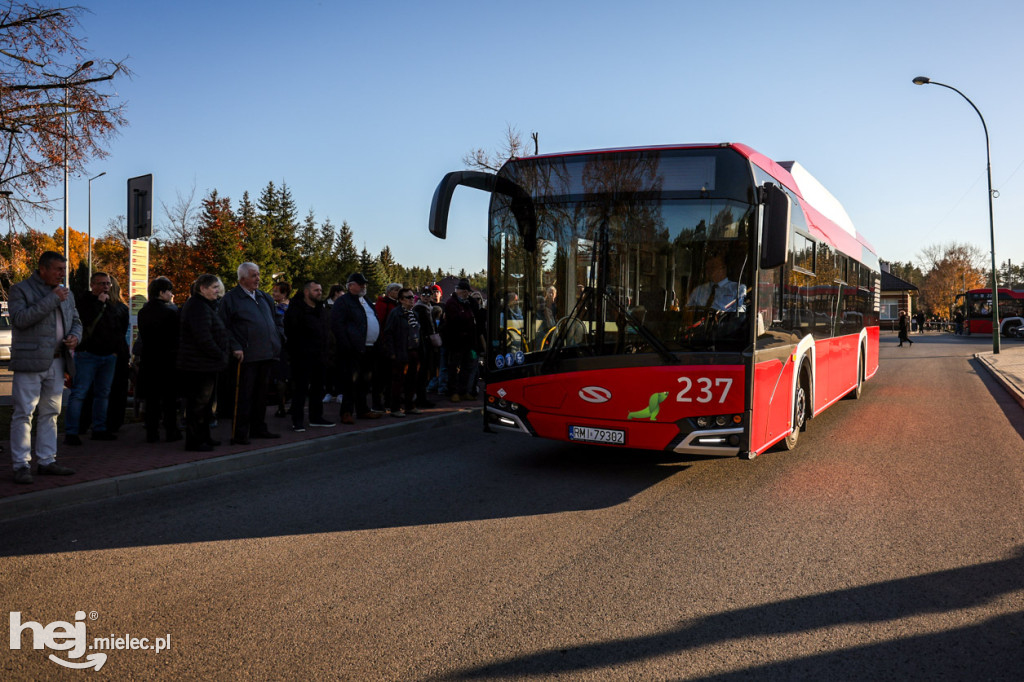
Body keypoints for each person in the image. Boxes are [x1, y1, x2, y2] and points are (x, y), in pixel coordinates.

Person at [8, 251, 82, 484]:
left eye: (64, 269)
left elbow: (77, 321)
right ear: (42, 269)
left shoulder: (66, 293)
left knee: (51, 413)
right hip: (30, 361)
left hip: (59, 360)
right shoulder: (20, 290)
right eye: (58, 269)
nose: (63, 273)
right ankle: (21, 465)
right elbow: (20, 319)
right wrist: (52, 299)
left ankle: (47, 460)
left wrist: (74, 337)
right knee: (24, 413)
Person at [219, 262, 283, 445]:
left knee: (261, 395)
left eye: (258, 275)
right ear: (242, 279)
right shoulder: (231, 299)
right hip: (246, 355)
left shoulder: (264, 297)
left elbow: (276, 319)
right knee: (244, 396)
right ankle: (240, 433)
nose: (258, 279)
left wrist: (279, 337)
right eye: (254, 275)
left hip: (267, 353)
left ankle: (259, 427)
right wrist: (235, 346)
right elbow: (223, 326)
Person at [64, 271, 128, 444]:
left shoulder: (113, 305)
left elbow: (117, 329)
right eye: (101, 283)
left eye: (108, 284)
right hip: (88, 355)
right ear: (92, 285)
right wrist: (99, 305)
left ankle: (100, 429)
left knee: (103, 394)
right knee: (79, 393)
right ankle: (72, 432)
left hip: (108, 356)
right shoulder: (84, 302)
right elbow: (83, 322)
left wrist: (115, 351)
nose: (105, 287)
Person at [177, 274, 230, 451]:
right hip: (198, 365)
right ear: (202, 289)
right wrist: (220, 354)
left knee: (206, 405)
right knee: (198, 405)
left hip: (205, 363)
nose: (218, 291)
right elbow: (203, 338)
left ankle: (204, 437)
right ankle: (195, 441)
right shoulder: (197, 307)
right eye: (214, 287)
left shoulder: (204, 306)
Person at [330, 272, 385, 424]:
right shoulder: (343, 302)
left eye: (364, 284)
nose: (363, 286)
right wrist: (347, 344)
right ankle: (346, 412)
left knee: (365, 381)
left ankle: (363, 410)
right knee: (350, 381)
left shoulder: (365, 300)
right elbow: (337, 325)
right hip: (352, 349)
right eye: (360, 284)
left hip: (369, 348)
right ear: (350, 286)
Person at [283, 280, 335, 432]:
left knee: (318, 388)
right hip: (302, 356)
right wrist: (297, 351)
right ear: (307, 292)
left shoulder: (321, 309)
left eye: (320, 290)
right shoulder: (296, 310)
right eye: (316, 290)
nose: (319, 293)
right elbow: (290, 332)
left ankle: (316, 417)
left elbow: (326, 330)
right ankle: (297, 420)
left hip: (320, 356)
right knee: (300, 389)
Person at [137, 276, 181, 443]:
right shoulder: (170, 312)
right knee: (169, 399)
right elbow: (176, 336)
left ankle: (152, 432)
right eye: (169, 291)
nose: (171, 294)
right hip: (168, 360)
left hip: (149, 359)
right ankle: (171, 430)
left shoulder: (143, 312)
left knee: (151, 399)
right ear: (162, 292)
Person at [382, 287, 424, 417]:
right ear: (401, 300)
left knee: (412, 380)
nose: (412, 300)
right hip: (400, 351)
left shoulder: (414, 314)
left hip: (413, 351)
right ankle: (395, 408)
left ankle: (410, 406)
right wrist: (392, 352)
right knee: (398, 381)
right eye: (408, 297)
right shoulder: (395, 313)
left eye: (413, 297)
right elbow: (388, 333)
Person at [443, 278, 479, 403]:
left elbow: (474, 317)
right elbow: (456, 321)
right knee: (454, 367)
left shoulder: (467, 303)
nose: (468, 295)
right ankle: (453, 391)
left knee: (466, 367)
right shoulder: (451, 303)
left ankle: (464, 391)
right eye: (466, 292)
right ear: (462, 291)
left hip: (468, 342)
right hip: (456, 342)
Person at [373, 283, 402, 413]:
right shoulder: (383, 304)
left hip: (396, 344)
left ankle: (389, 401)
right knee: (381, 375)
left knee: (393, 375)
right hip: (384, 344)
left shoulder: (398, 305)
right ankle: (377, 402)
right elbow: (380, 323)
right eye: (396, 290)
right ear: (389, 292)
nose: (398, 292)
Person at [271, 281, 292, 418]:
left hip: (282, 347)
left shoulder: (279, 310)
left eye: (276, 291)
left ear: (284, 293)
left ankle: (281, 407)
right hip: (294, 347)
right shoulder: (293, 307)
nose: (273, 294)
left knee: (281, 378)